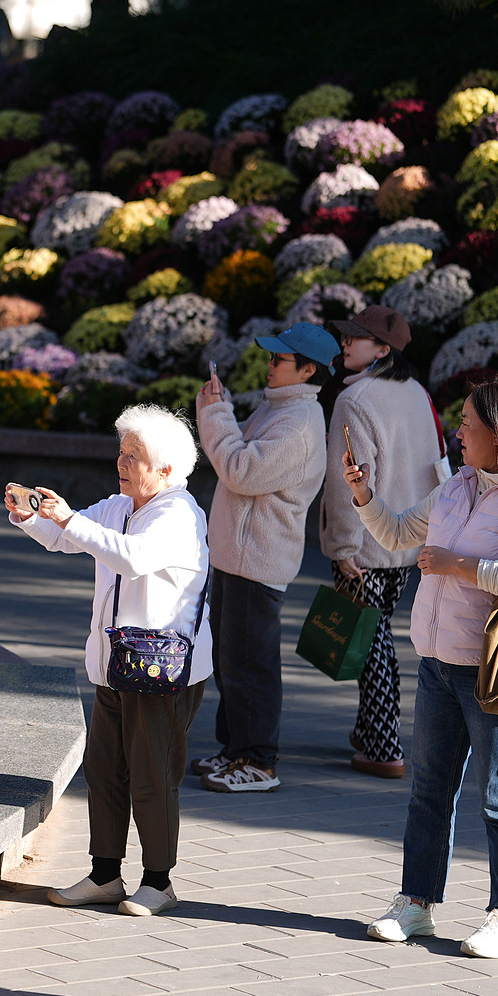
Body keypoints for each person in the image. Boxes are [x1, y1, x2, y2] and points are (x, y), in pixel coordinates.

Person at [345, 376, 498, 958]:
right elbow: (396, 532)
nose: (458, 432)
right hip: (437, 663)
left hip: (492, 671)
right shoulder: (457, 484)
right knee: (429, 790)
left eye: (469, 424)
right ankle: (417, 905)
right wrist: (363, 496)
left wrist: (459, 566)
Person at [5, 405, 212, 918]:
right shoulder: (120, 504)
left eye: (134, 455)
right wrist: (30, 515)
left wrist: (70, 518)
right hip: (115, 664)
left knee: (152, 775)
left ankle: (159, 883)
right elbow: (64, 539)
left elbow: (131, 557)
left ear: (165, 469)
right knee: (103, 771)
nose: (121, 462)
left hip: (160, 669)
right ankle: (105, 875)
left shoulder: (180, 514)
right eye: (121, 451)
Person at [189, 322, 334, 794]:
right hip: (239, 555)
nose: (269, 366)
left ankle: (259, 762)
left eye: (279, 360)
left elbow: (240, 470)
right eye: (270, 357)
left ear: (308, 370)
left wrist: (215, 412)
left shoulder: (300, 422)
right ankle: (235, 752)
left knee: (251, 663)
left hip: (258, 560)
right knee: (231, 657)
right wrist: (223, 411)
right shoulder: (280, 410)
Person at [320, 303, 446, 779]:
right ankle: (371, 733)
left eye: (357, 337)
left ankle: (384, 744)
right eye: (346, 335)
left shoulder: (354, 401)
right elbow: (437, 463)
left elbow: (346, 480)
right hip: (408, 538)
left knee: (370, 640)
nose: (346, 343)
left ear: (383, 349)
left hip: (369, 541)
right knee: (377, 634)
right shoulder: (415, 391)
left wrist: (343, 546)